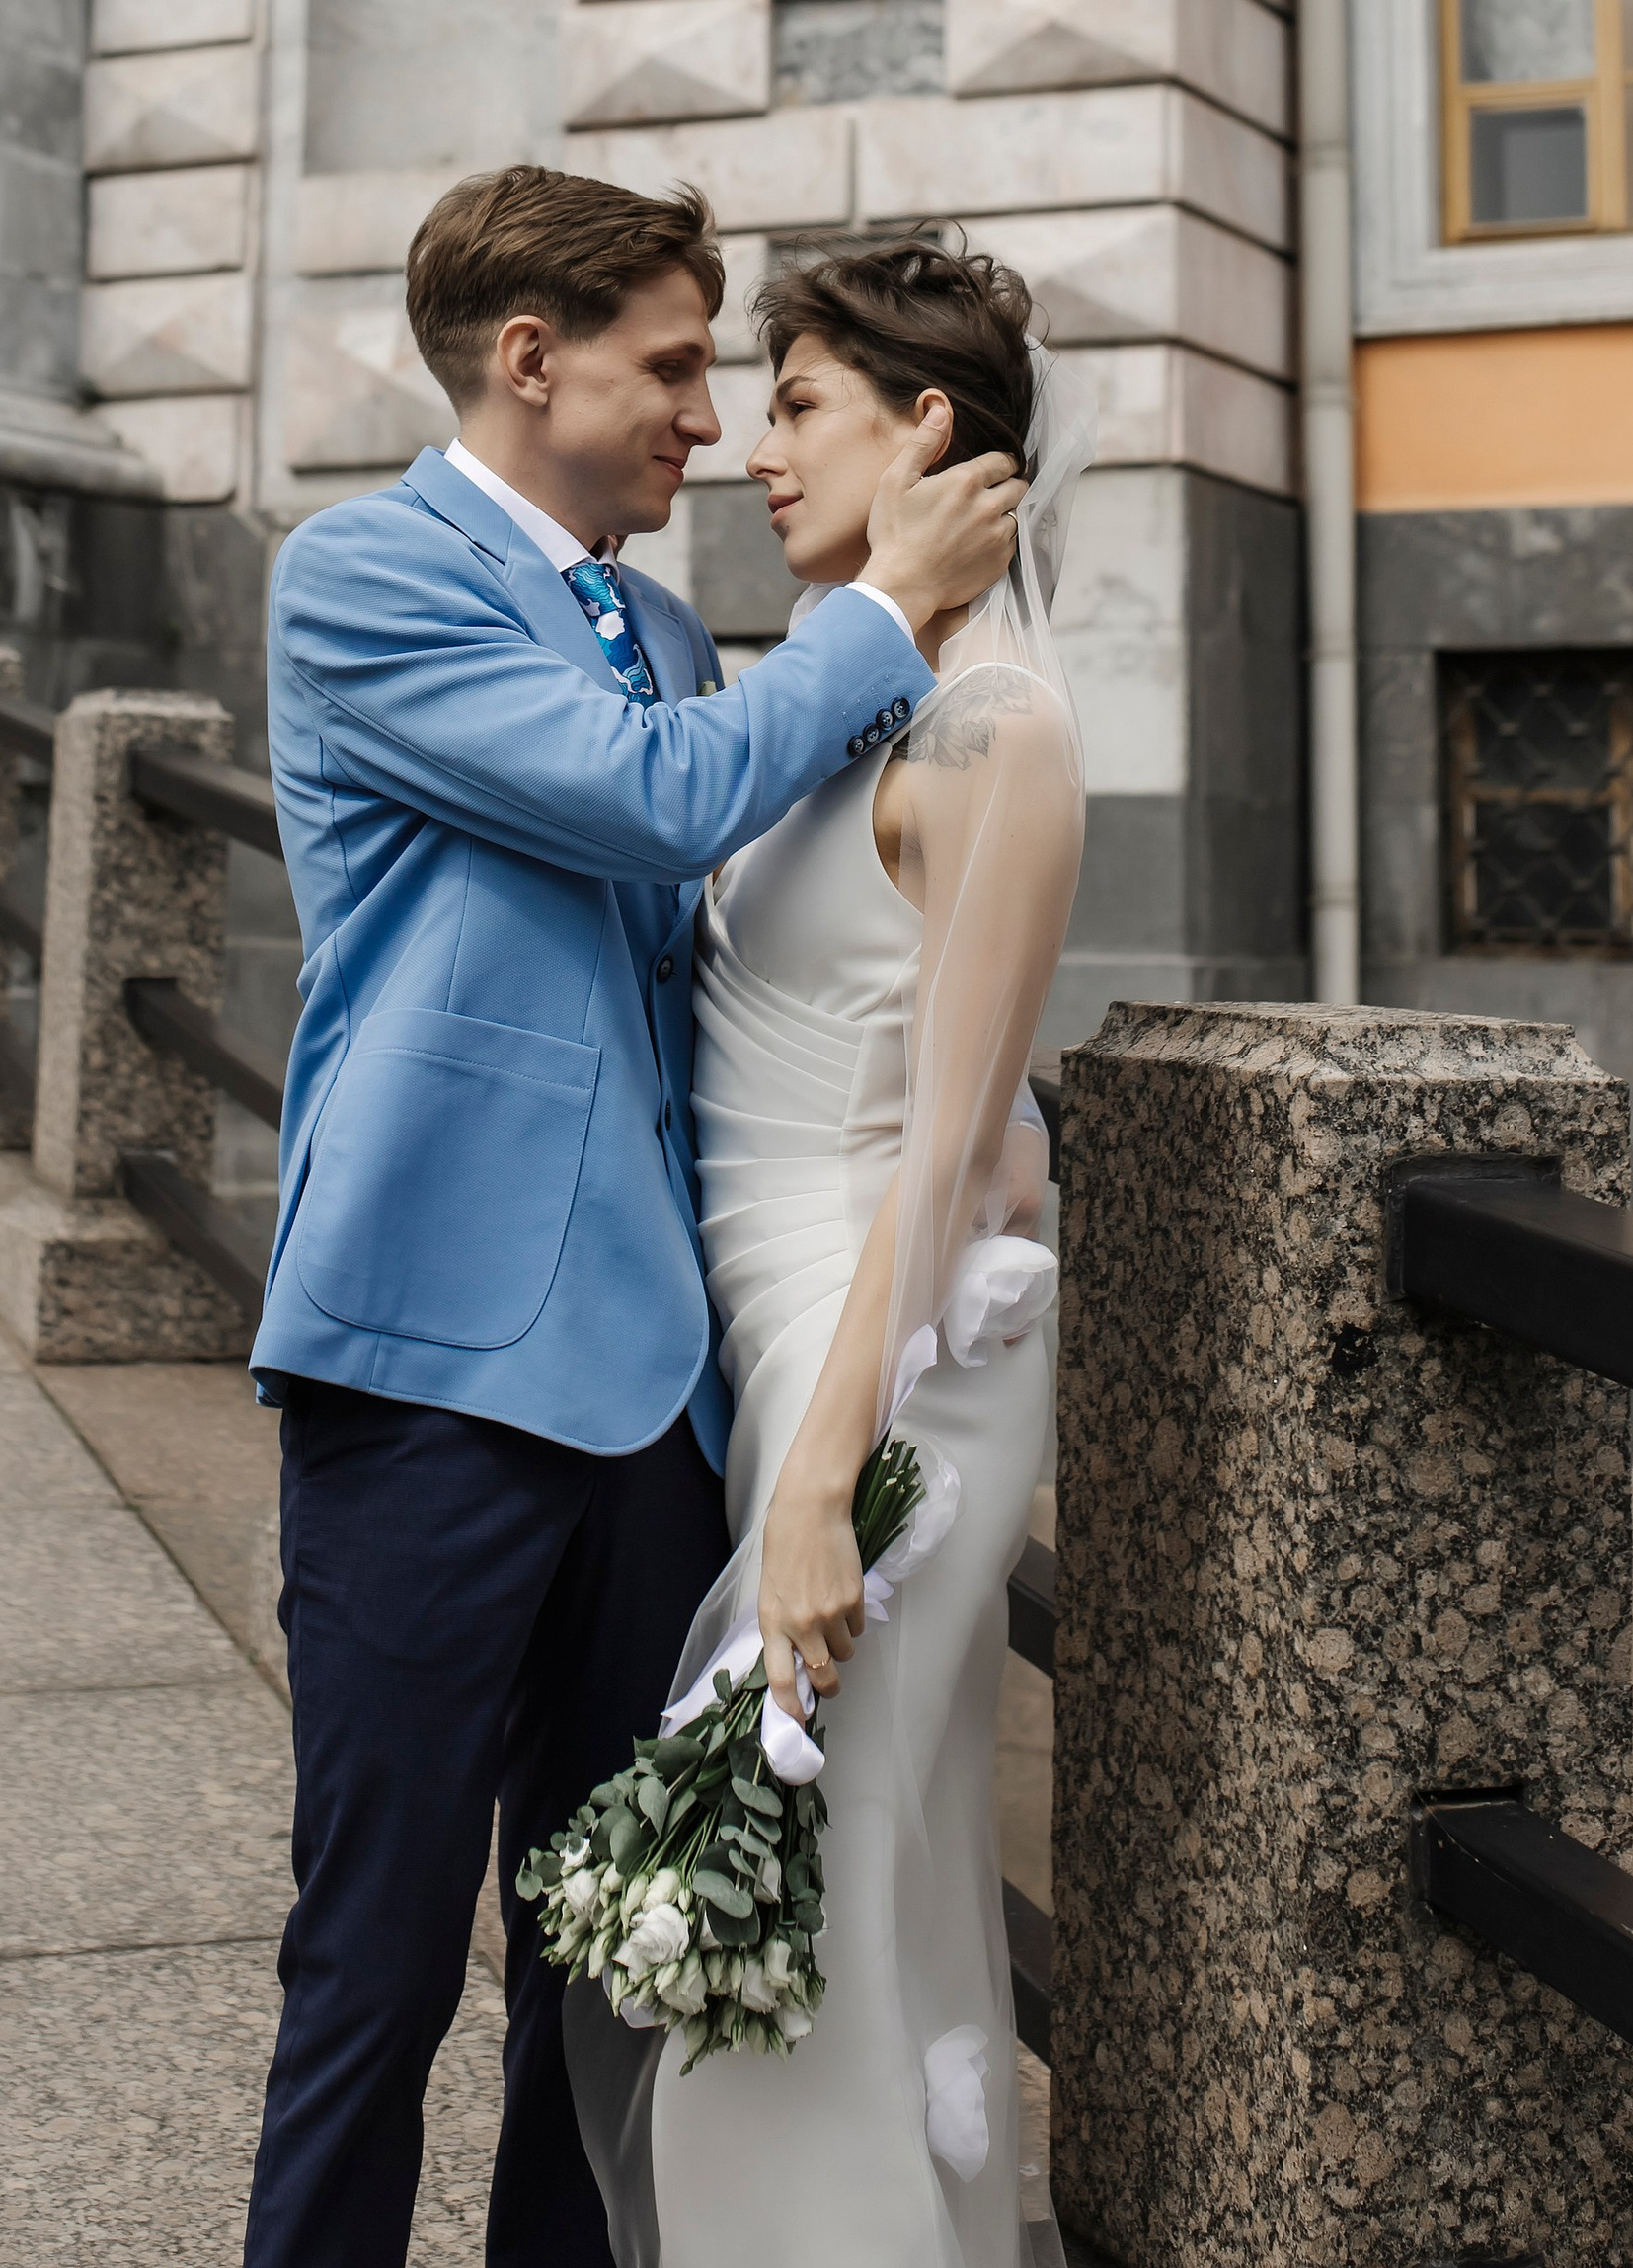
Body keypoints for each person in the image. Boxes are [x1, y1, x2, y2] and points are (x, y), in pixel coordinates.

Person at [242, 167, 1027, 2268]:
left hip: (661, 1399)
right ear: (529, 359)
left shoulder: (668, 625)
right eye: (672, 366)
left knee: (602, 1971)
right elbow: (655, 800)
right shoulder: (360, 576)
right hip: (427, 1367)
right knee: (373, 1967)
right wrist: (874, 617)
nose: (704, 416)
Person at [635, 237, 1093, 2268]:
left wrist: (825, 1480)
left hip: (877, 1358)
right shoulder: (852, 674)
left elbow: (943, 1163)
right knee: (832, 1894)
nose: (749, 446)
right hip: (779, 1329)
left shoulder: (995, 730)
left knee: (799, 1895)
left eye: (798, 400)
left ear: (925, 426)